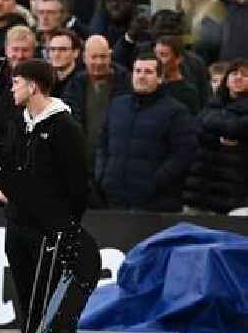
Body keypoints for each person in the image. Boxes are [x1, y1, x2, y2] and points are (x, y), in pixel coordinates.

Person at [0, 58, 96, 333]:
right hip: (17, 223)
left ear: (33, 86)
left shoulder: (65, 126)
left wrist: (63, 222)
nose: (12, 89)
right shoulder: (17, 124)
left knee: (49, 302)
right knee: (26, 300)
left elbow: (78, 183)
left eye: (16, 83)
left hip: (50, 230)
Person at [95, 53, 199, 211]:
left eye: (148, 72)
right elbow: (103, 143)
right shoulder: (117, 105)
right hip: (113, 198)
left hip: (155, 204)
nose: (141, 76)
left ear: (160, 78)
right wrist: (103, 176)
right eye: (137, 71)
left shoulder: (176, 112)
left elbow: (183, 154)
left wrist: (153, 182)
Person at [183, 59, 248, 214]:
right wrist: (217, 138)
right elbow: (194, 129)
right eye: (234, 73)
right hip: (198, 192)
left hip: (233, 195)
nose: (238, 77)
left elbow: (235, 128)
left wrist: (211, 129)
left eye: (245, 75)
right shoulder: (212, 104)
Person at [64, 35, 131, 171]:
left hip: (117, 163)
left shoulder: (126, 83)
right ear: (84, 58)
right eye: (94, 57)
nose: (99, 62)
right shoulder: (74, 86)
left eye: (103, 56)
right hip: (83, 163)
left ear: (110, 56)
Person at [154, 35, 201, 114]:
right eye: (156, 54)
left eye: (163, 55)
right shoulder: (150, 84)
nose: (157, 60)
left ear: (178, 59)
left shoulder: (188, 92)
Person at [48, 28, 81, 97]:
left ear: (76, 53)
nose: (56, 54)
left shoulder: (82, 82)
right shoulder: (46, 81)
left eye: (63, 49)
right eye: (53, 49)